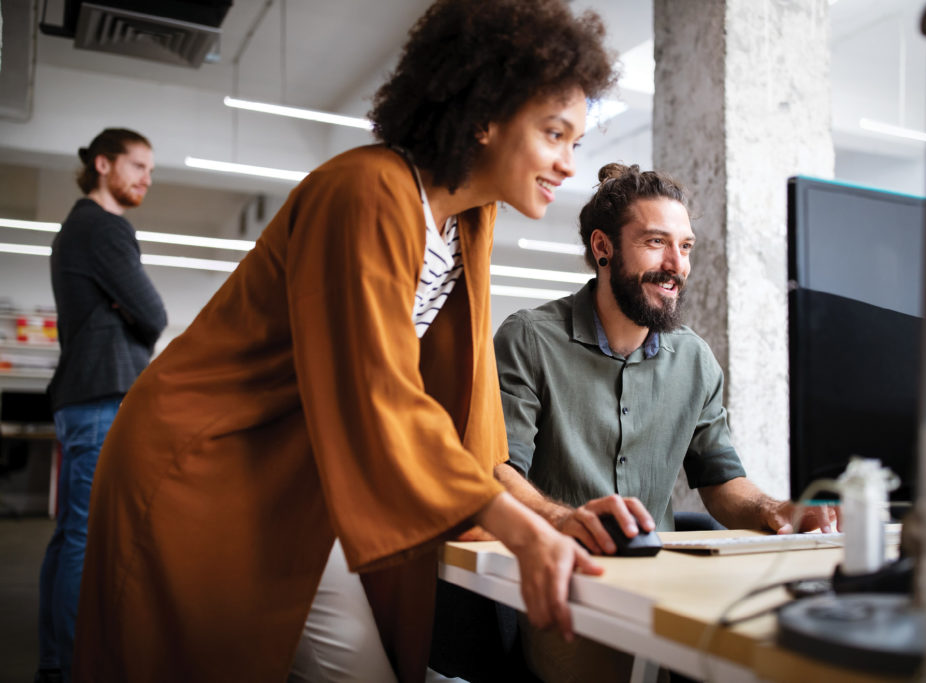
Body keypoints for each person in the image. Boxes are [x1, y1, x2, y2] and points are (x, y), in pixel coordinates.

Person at [71, 2, 616, 682]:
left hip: (293, 477)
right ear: (485, 116)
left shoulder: (467, 222)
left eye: (576, 142)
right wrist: (518, 527)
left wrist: (546, 514)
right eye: (554, 134)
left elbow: (459, 413)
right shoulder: (367, 190)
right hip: (204, 463)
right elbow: (378, 388)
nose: (568, 164)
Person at [491, 163, 836, 682]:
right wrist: (562, 519)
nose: (676, 265)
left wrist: (775, 509)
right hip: (569, 585)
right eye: (656, 242)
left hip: (664, 582)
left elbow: (721, 481)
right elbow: (496, 471)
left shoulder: (694, 359)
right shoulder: (530, 340)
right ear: (604, 247)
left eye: (687, 246)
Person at [36, 128, 167, 683]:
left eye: (150, 171)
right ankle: (69, 667)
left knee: (70, 534)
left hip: (80, 397)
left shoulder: (76, 228)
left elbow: (135, 312)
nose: (146, 179)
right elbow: (154, 314)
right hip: (100, 398)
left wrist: (124, 309)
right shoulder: (104, 228)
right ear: (103, 164)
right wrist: (128, 309)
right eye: (137, 166)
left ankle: (54, 663)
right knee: (85, 538)